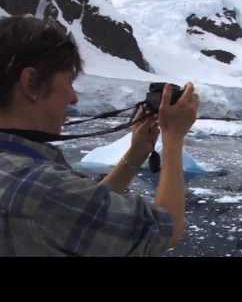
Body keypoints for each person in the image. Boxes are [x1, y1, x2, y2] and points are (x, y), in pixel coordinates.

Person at [0, 15, 199, 256]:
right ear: (31, 82)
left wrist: (135, 156)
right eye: (69, 82)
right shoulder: (42, 188)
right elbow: (162, 230)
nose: (74, 98)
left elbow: (79, 214)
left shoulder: (21, 176)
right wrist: (173, 139)